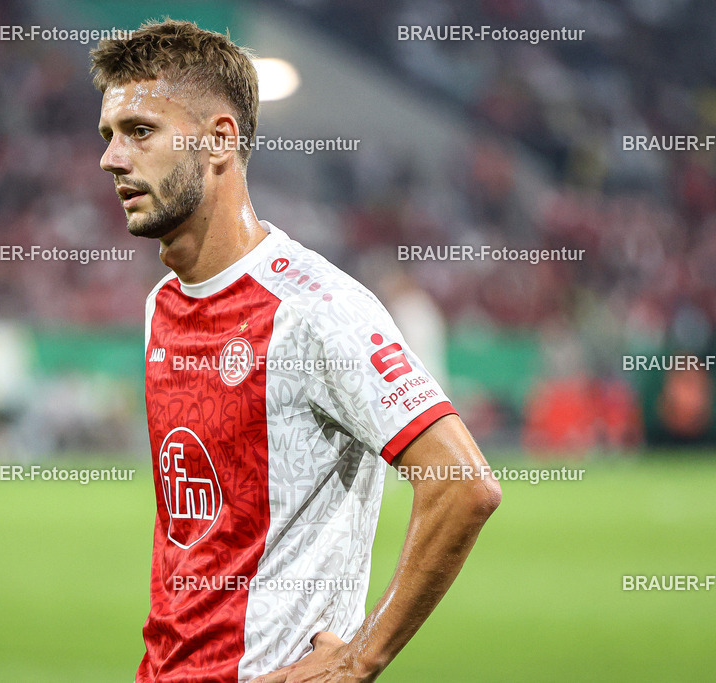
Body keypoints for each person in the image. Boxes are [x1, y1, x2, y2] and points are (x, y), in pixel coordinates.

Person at [91, 20, 502, 682]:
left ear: (219, 140)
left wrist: (360, 657)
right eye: (108, 136)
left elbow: (463, 484)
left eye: (140, 131)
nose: (112, 158)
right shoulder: (162, 303)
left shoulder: (315, 310)